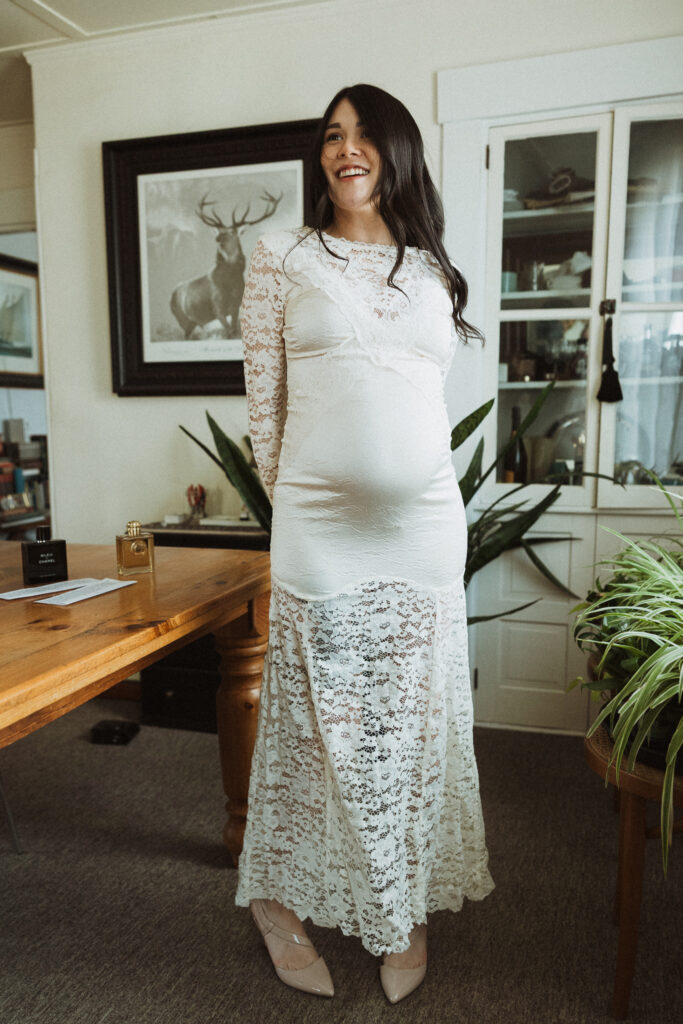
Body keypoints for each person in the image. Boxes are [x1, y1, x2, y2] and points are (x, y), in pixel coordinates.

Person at [235, 83, 494, 1004]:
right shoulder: (281, 256)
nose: (345, 151)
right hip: (323, 531)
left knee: (411, 726)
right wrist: (311, 504)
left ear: (396, 150)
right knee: (312, 732)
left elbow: (421, 406)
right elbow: (264, 413)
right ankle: (277, 902)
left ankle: (402, 905)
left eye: (362, 135)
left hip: (424, 529)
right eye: (330, 137)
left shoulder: (431, 271)